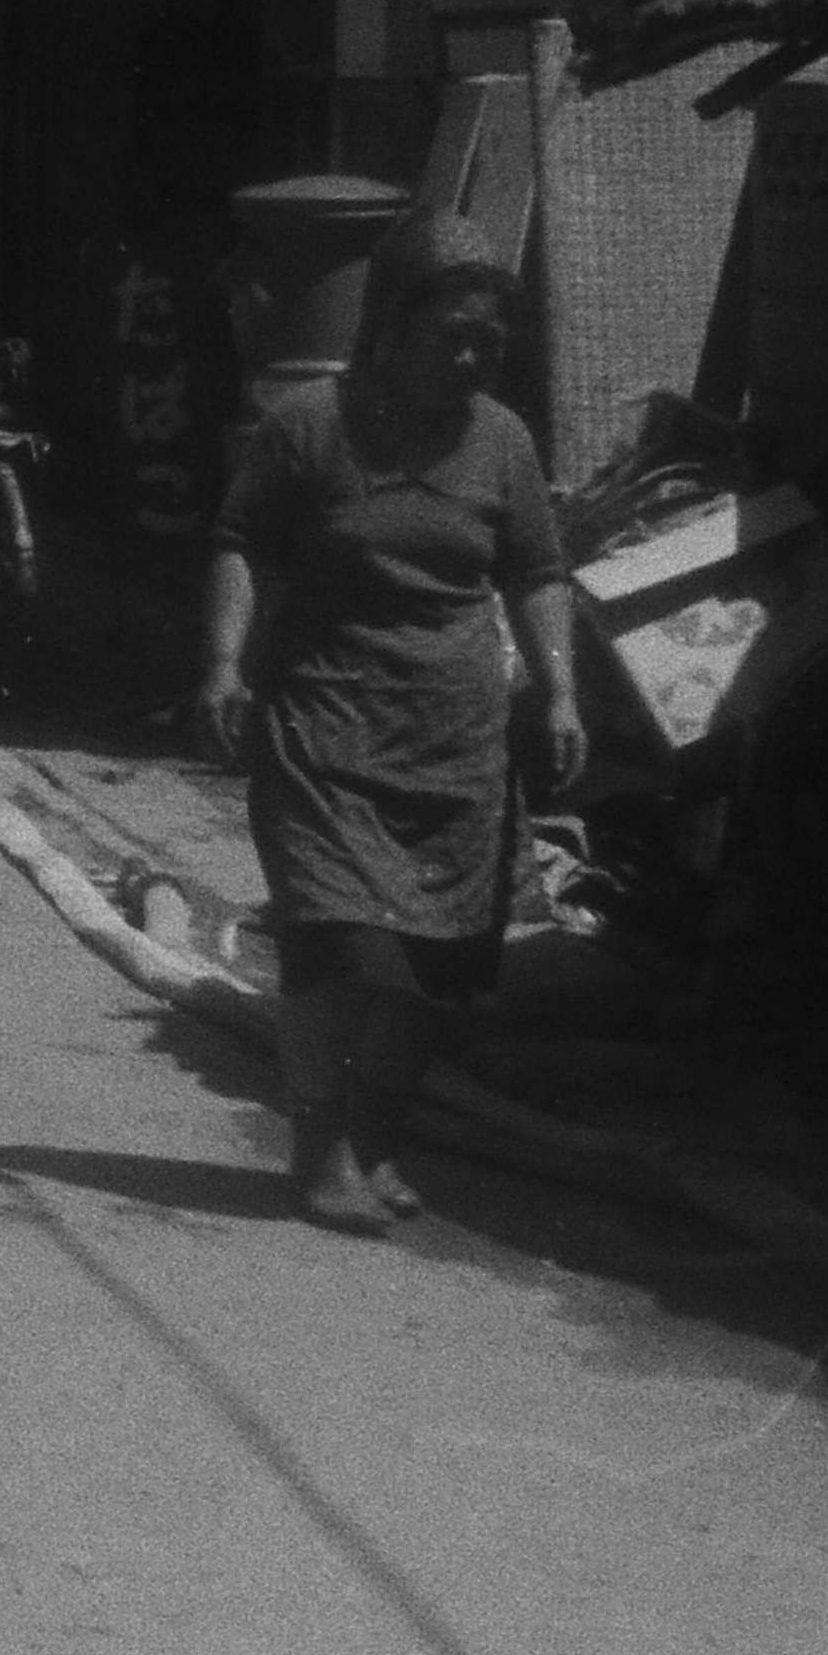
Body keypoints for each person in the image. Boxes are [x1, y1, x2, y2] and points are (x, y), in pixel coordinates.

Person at [196, 215, 580, 1233]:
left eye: (487, 343)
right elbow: (239, 541)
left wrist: (563, 690)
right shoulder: (308, 429)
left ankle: (374, 1139)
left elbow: (537, 572)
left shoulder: (503, 441)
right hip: (323, 728)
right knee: (329, 939)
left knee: (434, 964)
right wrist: (223, 664)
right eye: (450, 336)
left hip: (453, 744)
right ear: (388, 329)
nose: (469, 359)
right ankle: (320, 1150)